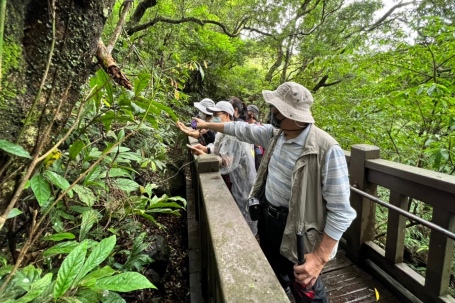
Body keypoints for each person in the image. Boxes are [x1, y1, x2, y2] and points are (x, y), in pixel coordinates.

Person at [191, 82, 357, 303]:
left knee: (306, 285)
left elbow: (341, 212)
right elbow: (241, 129)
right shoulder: (276, 134)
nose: (272, 114)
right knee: (275, 272)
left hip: (299, 231)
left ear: (291, 113)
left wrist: (318, 258)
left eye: (276, 111)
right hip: (270, 221)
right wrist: (208, 125)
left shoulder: (326, 149)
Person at [180, 101, 258, 235]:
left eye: (216, 114)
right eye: (211, 114)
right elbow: (218, 149)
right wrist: (205, 149)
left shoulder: (233, 134)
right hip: (234, 180)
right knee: (236, 210)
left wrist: (205, 154)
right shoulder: (221, 131)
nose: (212, 117)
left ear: (227, 115)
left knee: (244, 212)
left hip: (242, 181)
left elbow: (227, 162)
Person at [246, 104, 264, 171]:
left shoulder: (258, 127)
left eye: (247, 111)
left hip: (257, 155)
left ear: (253, 114)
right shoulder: (244, 125)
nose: (245, 113)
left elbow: (259, 144)